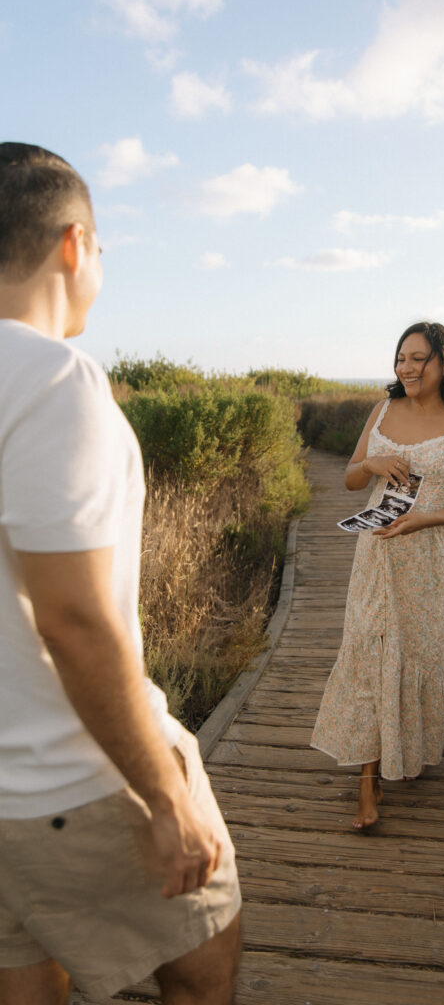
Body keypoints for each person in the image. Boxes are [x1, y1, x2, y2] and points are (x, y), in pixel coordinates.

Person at [0, 144, 241, 1005]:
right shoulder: (53, 379)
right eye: (102, 248)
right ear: (73, 245)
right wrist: (163, 795)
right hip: (74, 778)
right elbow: (71, 620)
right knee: (204, 965)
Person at [311, 321, 444, 829]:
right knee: (372, 652)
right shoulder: (384, 409)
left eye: (419, 359)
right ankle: (368, 785)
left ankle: (406, 751)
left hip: (437, 560)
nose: (407, 368)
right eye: (401, 358)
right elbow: (350, 477)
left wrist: (425, 518)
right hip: (378, 557)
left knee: (425, 658)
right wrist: (373, 463)